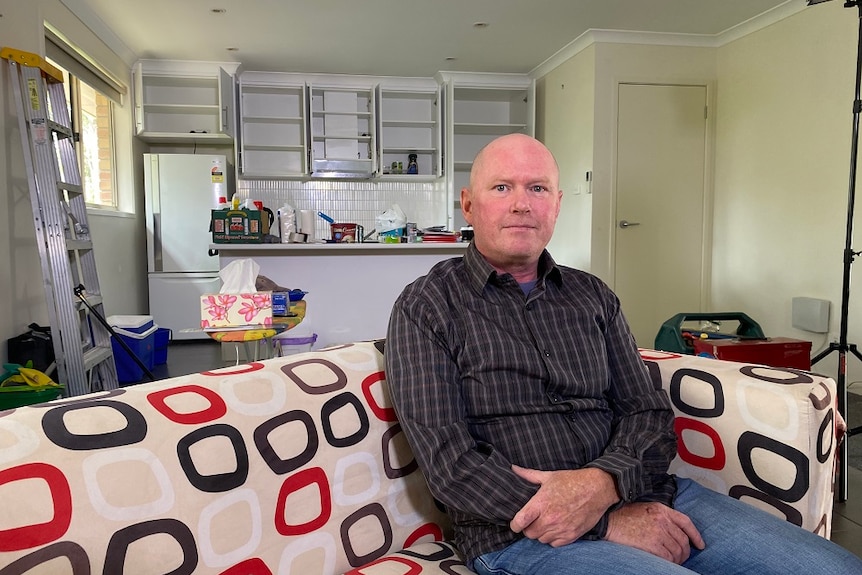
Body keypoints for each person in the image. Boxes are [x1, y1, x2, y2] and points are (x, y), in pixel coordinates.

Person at [385, 133, 862, 575]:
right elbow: (452, 464)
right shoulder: (426, 306)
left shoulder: (592, 295)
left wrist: (605, 485)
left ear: (557, 203)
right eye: (501, 187)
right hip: (519, 535)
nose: (521, 205)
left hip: (651, 494)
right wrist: (602, 522)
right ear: (468, 205)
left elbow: (647, 410)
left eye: (537, 188)